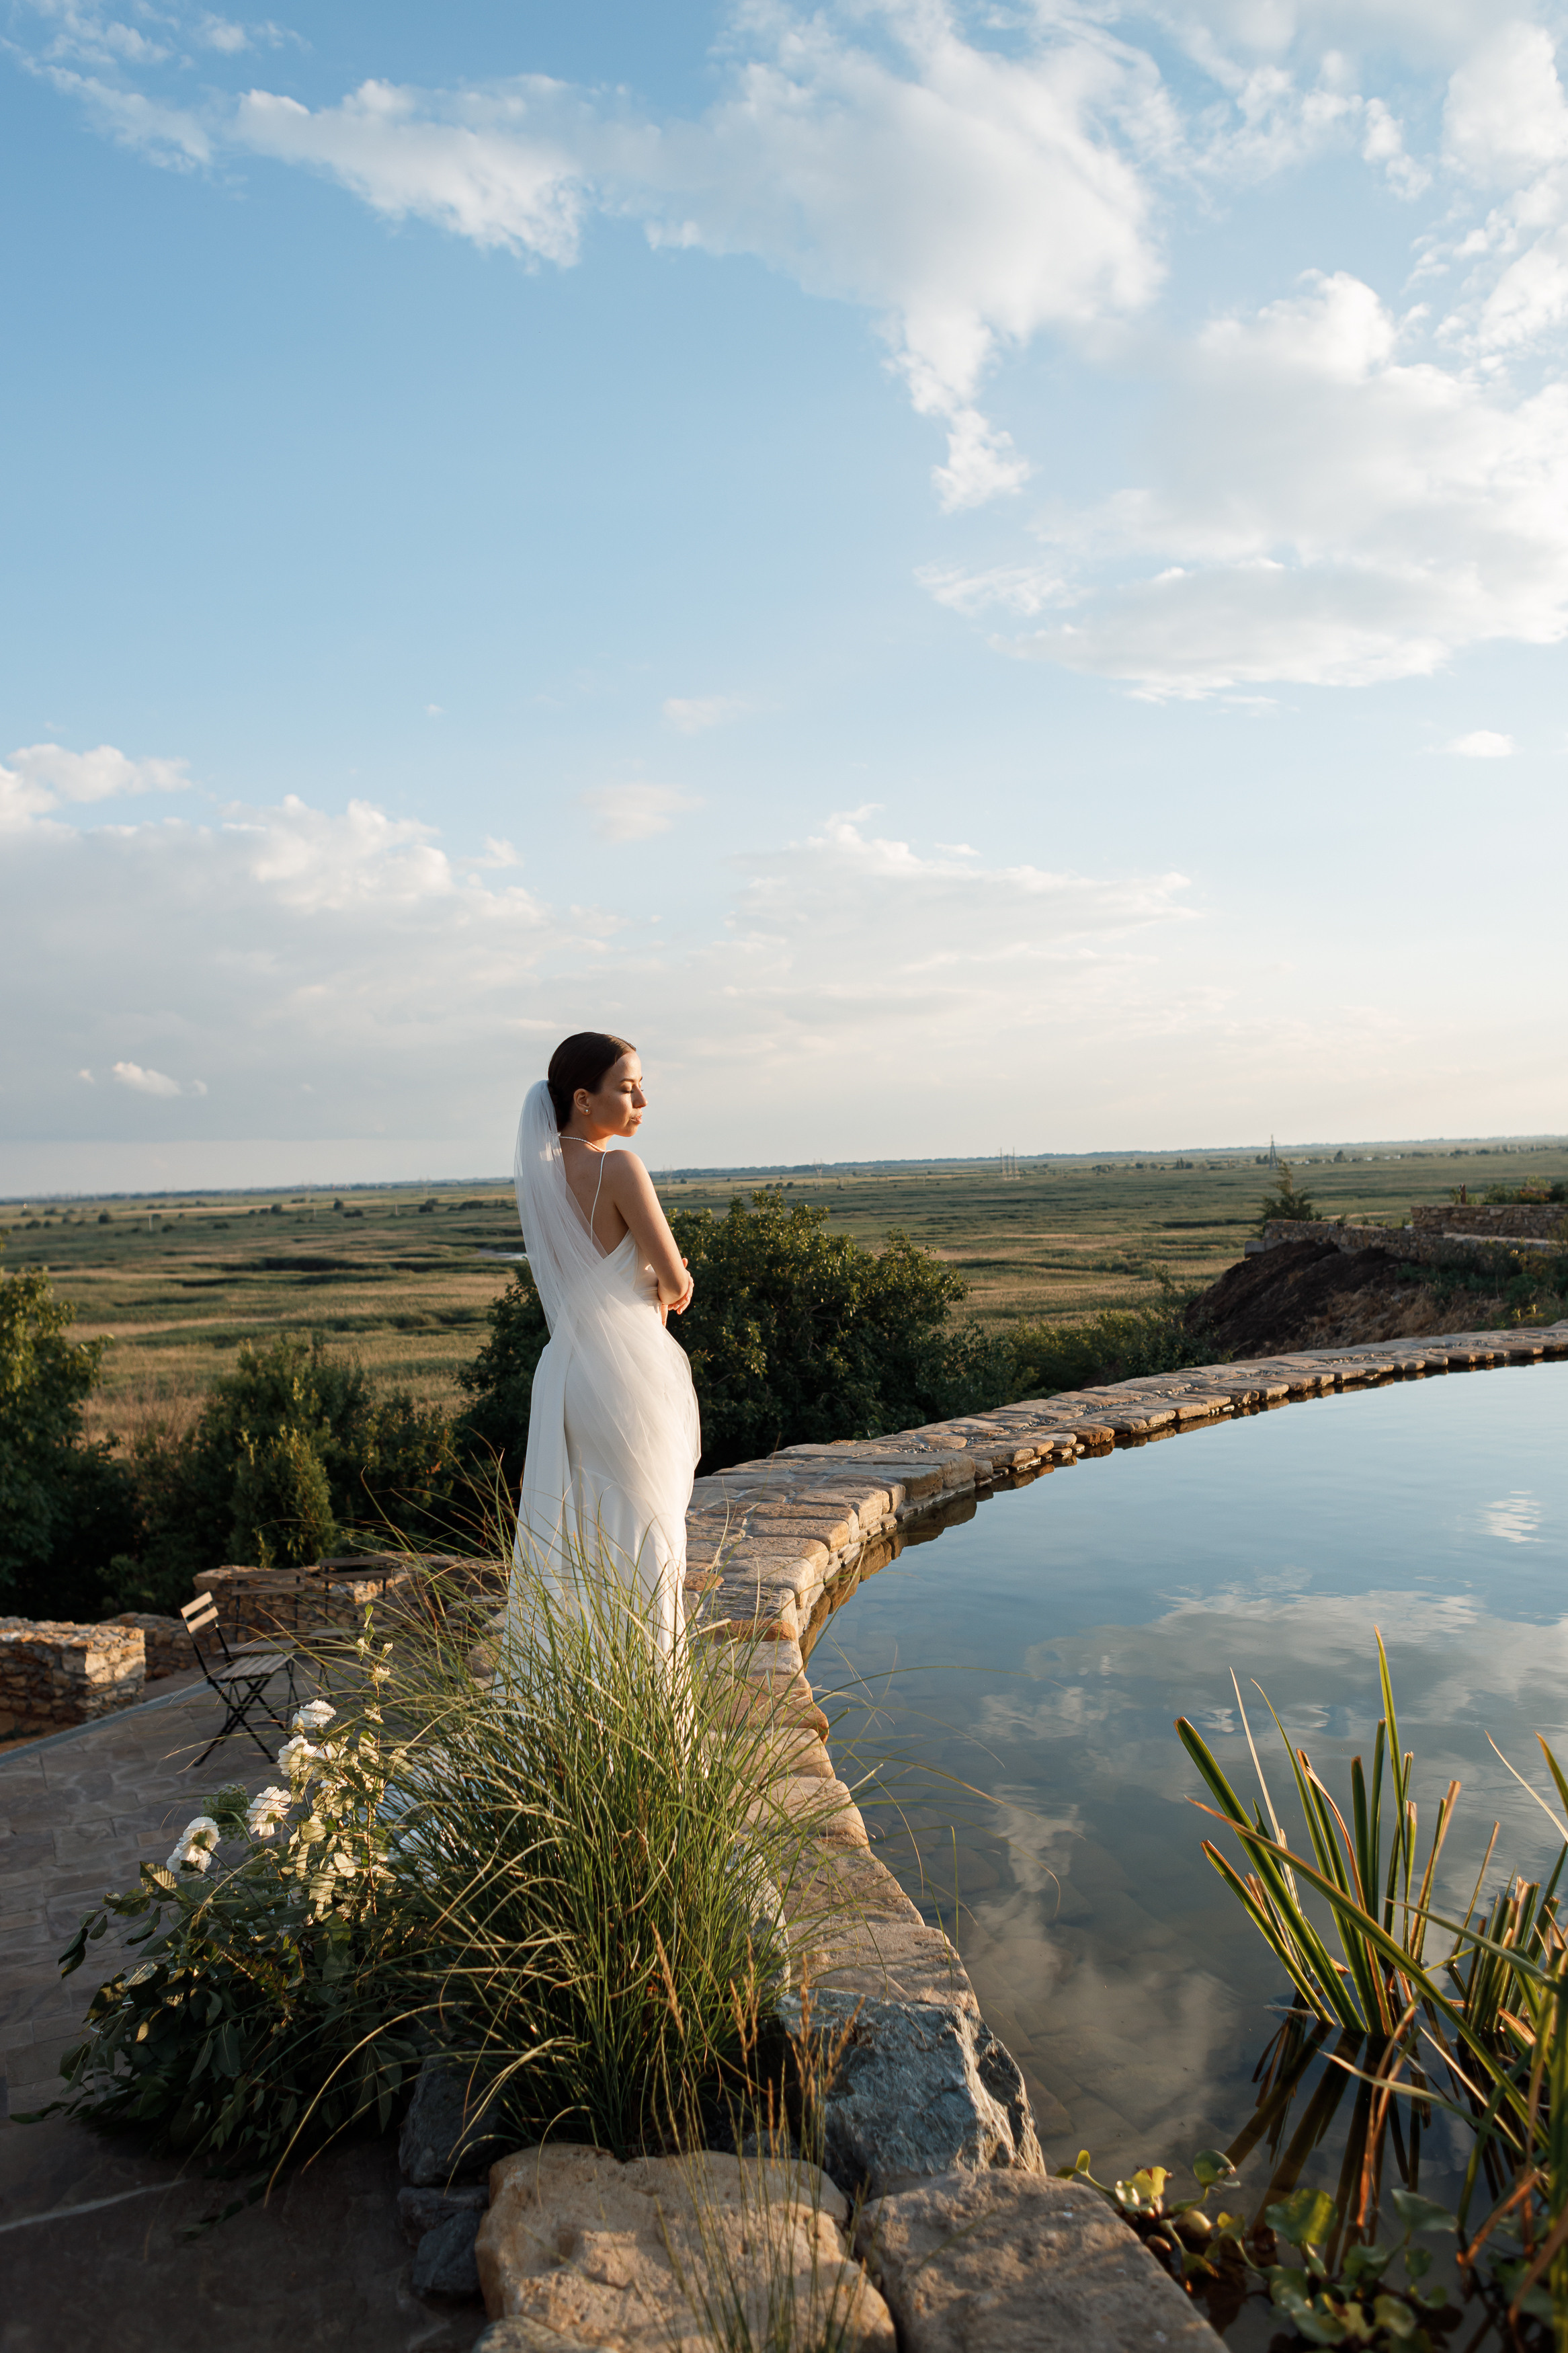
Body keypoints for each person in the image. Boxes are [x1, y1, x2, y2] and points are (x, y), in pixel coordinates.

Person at [506, 1031, 701, 1663]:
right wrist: (673, 1282)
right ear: (584, 1100)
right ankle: (649, 1685)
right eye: (627, 1086)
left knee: (576, 1532)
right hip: (624, 1373)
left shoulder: (539, 1177)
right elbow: (671, 1280)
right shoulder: (618, 1168)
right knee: (645, 1530)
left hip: (566, 1371)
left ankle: (575, 1682)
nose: (642, 1099)